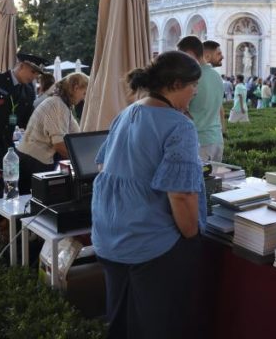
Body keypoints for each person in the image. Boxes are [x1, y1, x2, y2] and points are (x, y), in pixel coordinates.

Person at [91, 51, 205, 339]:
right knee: (157, 327)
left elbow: (103, 165)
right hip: (152, 245)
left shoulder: (127, 113)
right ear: (176, 84)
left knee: (120, 324)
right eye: (193, 85)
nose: (195, 92)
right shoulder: (180, 126)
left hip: (109, 236)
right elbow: (181, 196)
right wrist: (192, 236)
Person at [16, 73, 89, 194]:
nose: (84, 98)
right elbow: (59, 144)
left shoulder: (63, 104)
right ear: (76, 88)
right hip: (33, 160)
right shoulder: (57, 105)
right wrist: (81, 164)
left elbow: (75, 135)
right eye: (84, 93)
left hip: (35, 159)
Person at [0, 53, 47, 198]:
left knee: (9, 191)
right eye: (32, 72)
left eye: (37, 74)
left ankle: (4, 212)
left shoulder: (29, 91)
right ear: (21, 66)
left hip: (6, 149)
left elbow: (28, 121)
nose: (34, 77)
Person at [178, 36, 225, 162]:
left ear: (190, 54)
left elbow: (182, 111)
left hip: (199, 141)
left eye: (181, 56)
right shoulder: (217, 76)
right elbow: (219, 109)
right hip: (217, 139)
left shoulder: (192, 78)